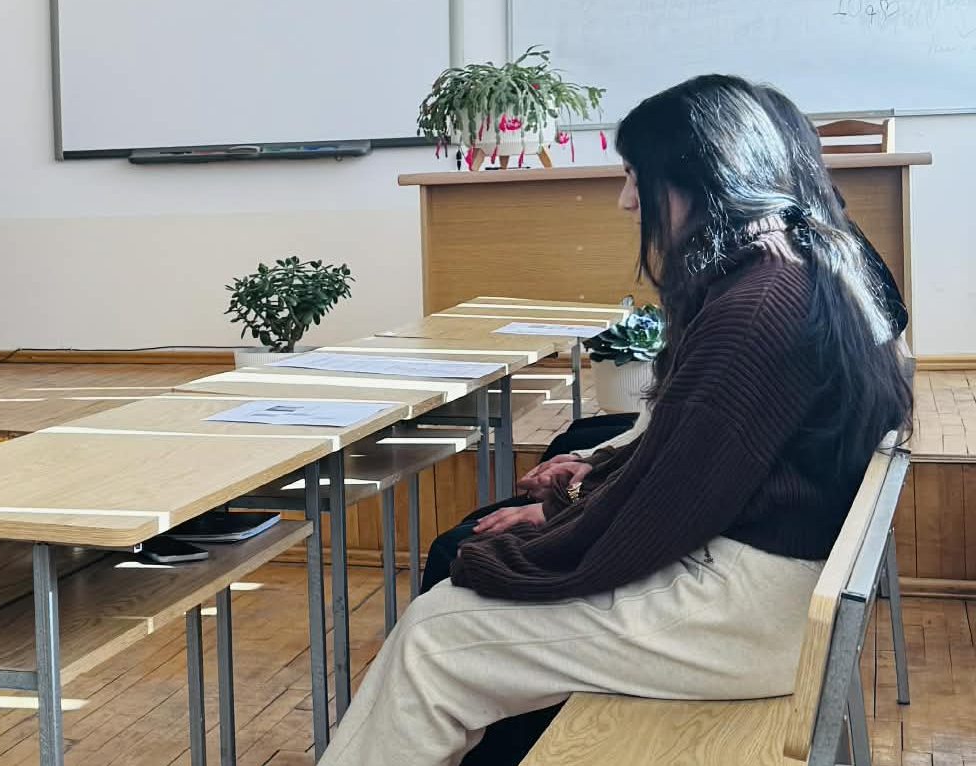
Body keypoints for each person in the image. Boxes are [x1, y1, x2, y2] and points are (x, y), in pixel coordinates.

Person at [323, 76, 910, 766]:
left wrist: (533, 547)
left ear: (703, 177)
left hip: (746, 614)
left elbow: (664, 511)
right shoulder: (798, 264)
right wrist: (570, 508)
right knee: (461, 598)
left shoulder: (754, 307)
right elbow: (679, 470)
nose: (627, 200)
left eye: (638, 176)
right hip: (776, 588)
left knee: (433, 636)